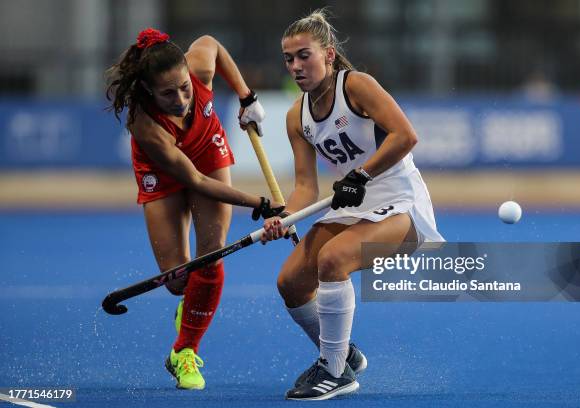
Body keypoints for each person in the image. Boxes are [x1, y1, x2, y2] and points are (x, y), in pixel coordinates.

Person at [261, 10, 444, 400]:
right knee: (290, 282)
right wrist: (285, 216)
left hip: (400, 204)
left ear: (328, 54)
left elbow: (405, 136)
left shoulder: (357, 86)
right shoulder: (297, 116)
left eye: (303, 55)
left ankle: (333, 371)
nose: (295, 66)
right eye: (288, 58)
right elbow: (306, 187)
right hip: (351, 205)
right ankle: (342, 355)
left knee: (333, 259)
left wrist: (361, 174)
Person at [105, 28, 283, 390]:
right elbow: (196, 182)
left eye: (185, 87)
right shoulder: (145, 125)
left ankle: (183, 350)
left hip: (208, 149)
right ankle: (189, 307)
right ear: (149, 90)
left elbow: (212, 43)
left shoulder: (198, 65)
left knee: (209, 259)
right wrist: (261, 203)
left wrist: (247, 97)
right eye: (168, 93)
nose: (182, 99)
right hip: (163, 174)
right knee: (178, 281)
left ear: (189, 72)